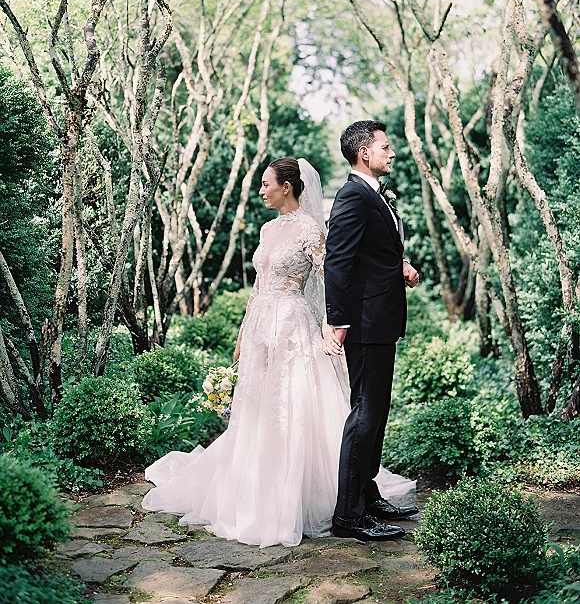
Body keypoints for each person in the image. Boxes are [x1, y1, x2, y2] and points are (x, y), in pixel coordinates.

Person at [142, 157, 413, 548]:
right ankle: (256, 484)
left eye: (266, 183)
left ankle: (312, 495)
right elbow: (258, 284)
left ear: (287, 186)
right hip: (260, 328)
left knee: (295, 405)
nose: (261, 190)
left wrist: (332, 326)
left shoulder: (311, 230)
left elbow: (331, 279)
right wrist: (242, 331)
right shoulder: (268, 229)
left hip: (294, 325)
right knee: (259, 408)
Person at [324, 120, 420, 542]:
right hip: (363, 324)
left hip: (380, 319)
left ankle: (367, 493)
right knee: (364, 415)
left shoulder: (373, 196)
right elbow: (337, 261)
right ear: (365, 153)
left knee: (376, 412)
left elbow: (370, 252)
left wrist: (398, 265)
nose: (391, 152)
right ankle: (348, 517)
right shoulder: (352, 196)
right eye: (384, 147)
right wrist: (338, 322)